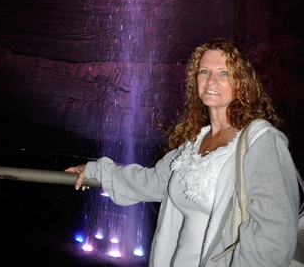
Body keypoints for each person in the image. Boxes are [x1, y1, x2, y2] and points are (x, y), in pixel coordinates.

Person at [66, 38, 299, 267]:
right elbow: (149, 182)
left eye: (224, 73)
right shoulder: (192, 145)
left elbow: (274, 233)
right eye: (204, 71)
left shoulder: (260, 142)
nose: (211, 80)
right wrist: (95, 169)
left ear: (242, 82)